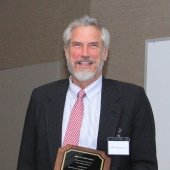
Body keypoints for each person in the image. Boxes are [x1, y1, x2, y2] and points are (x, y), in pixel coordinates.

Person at [17, 15, 158, 170]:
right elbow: (26, 162)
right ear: (66, 52)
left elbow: (145, 165)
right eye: (77, 45)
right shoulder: (42, 97)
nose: (85, 53)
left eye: (93, 45)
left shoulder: (132, 99)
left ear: (104, 53)